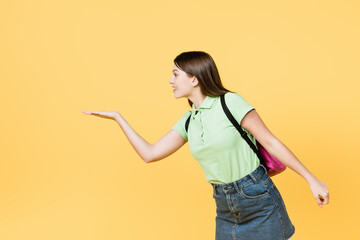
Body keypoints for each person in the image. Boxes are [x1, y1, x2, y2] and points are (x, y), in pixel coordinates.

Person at [82, 51, 329, 240]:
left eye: (175, 74)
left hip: (258, 198)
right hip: (224, 206)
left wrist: (311, 179)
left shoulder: (229, 102)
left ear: (195, 78)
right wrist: (118, 118)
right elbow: (150, 154)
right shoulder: (189, 120)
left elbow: (270, 141)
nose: (170, 80)